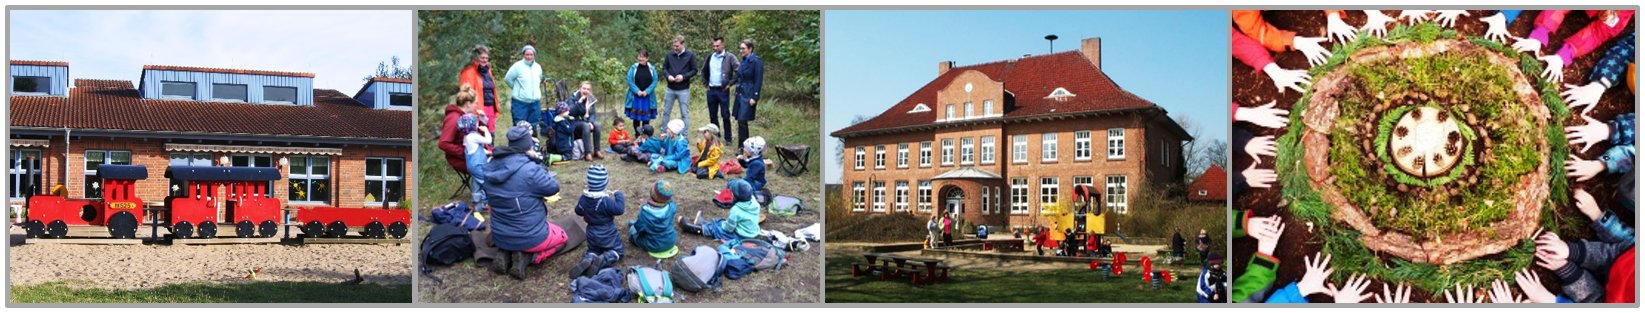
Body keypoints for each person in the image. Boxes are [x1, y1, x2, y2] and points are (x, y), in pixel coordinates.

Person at [479, 125, 565, 279]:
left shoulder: (491, 165)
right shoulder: (530, 169)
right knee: (563, 237)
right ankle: (529, 257)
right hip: (530, 235)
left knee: (510, 224)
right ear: (528, 145)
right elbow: (553, 187)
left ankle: (505, 252)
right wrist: (538, 163)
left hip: (499, 235)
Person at [569, 164, 626, 278]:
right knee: (617, 251)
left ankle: (589, 259)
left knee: (593, 249)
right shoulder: (605, 201)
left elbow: (578, 211)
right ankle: (605, 258)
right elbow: (620, 209)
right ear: (605, 184)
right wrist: (619, 195)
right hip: (608, 232)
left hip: (591, 232)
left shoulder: (584, 198)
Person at [680, 179, 761, 242]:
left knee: (717, 230)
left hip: (740, 236)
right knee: (720, 221)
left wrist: (723, 226)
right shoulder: (755, 203)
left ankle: (694, 229)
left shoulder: (736, 210)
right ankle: (702, 222)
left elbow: (728, 229)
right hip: (752, 232)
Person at [627, 179, 679, 259]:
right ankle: (635, 224)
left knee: (633, 231)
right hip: (671, 241)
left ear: (652, 194)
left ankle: (633, 225)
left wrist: (635, 227)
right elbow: (671, 202)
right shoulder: (672, 207)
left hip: (653, 245)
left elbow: (639, 228)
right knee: (641, 225)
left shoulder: (646, 212)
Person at [702, 36, 739, 144]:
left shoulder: (730, 57)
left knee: (725, 115)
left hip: (723, 90)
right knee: (713, 115)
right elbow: (703, 71)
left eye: (717, 46)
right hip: (711, 90)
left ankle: (728, 138)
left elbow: (738, 70)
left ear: (723, 45)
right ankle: (716, 137)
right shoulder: (710, 57)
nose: (715, 48)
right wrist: (705, 83)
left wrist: (730, 83)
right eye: (714, 46)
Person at [439, 85, 480, 176]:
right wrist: (465, 152)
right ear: (468, 104)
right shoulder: (454, 119)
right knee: (493, 169)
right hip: (461, 159)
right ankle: (481, 189)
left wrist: (483, 121)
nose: (476, 106)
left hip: (473, 154)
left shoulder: (467, 117)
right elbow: (443, 143)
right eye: (476, 103)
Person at [731, 39, 764, 150]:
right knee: (740, 120)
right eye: (740, 48)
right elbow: (739, 76)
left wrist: (755, 96)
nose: (741, 51)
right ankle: (743, 145)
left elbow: (758, 80)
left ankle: (743, 146)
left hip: (749, 93)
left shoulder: (756, 61)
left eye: (743, 48)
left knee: (742, 119)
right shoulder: (744, 61)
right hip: (741, 92)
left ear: (750, 49)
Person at [460, 44, 500, 133]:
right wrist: (472, 111)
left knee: (490, 134)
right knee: (477, 134)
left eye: (486, 58)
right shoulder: (468, 72)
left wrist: (495, 109)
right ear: (475, 58)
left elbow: (492, 90)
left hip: (490, 107)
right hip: (476, 109)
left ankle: (490, 147)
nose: (485, 60)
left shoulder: (488, 70)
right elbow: (466, 93)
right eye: (482, 58)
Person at [505, 45, 545, 130]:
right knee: (520, 125)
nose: (529, 57)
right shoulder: (517, 66)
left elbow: (540, 79)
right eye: (527, 54)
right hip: (520, 103)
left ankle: (532, 142)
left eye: (531, 54)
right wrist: (517, 88)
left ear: (534, 55)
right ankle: (518, 143)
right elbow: (508, 79)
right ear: (523, 55)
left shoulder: (538, 67)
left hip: (535, 103)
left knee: (533, 125)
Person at [661, 35, 696, 128]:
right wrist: (668, 76)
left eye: (677, 46)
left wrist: (683, 77)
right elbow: (664, 68)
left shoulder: (690, 55)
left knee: (684, 113)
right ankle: (664, 133)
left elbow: (694, 70)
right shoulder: (669, 55)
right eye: (674, 46)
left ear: (683, 44)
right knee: (666, 112)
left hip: (683, 89)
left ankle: (684, 136)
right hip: (670, 88)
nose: (675, 48)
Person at [460, 113, 493, 206]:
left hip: (471, 165)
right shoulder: (473, 136)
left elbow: (475, 148)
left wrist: (488, 152)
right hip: (478, 165)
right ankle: (484, 203)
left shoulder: (466, 136)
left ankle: (476, 200)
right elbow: (488, 141)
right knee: (486, 181)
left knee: (476, 181)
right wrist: (486, 131)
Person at [567, 81, 604, 160]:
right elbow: (570, 112)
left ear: (589, 91)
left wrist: (590, 122)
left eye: (588, 89)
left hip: (586, 121)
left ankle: (597, 150)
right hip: (574, 123)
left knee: (597, 125)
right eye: (584, 88)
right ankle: (588, 152)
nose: (585, 91)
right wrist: (579, 102)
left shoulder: (591, 99)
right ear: (580, 89)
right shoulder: (573, 98)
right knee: (585, 126)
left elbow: (593, 114)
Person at [625, 48, 660, 133]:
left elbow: (655, 80)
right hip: (636, 97)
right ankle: (637, 135)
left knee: (646, 118)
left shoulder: (652, 69)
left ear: (647, 58)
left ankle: (645, 135)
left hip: (647, 97)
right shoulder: (634, 68)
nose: (641, 59)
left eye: (643, 57)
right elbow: (629, 80)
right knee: (636, 118)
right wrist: (637, 91)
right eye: (639, 56)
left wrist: (646, 91)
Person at [737, 136, 770, 203]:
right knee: (734, 183)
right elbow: (746, 165)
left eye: (746, 148)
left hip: (756, 182)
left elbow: (750, 179)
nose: (744, 149)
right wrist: (741, 161)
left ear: (752, 151)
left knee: (734, 185)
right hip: (751, 179)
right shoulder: (754, 157)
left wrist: (744, 188)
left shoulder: (756, 164)